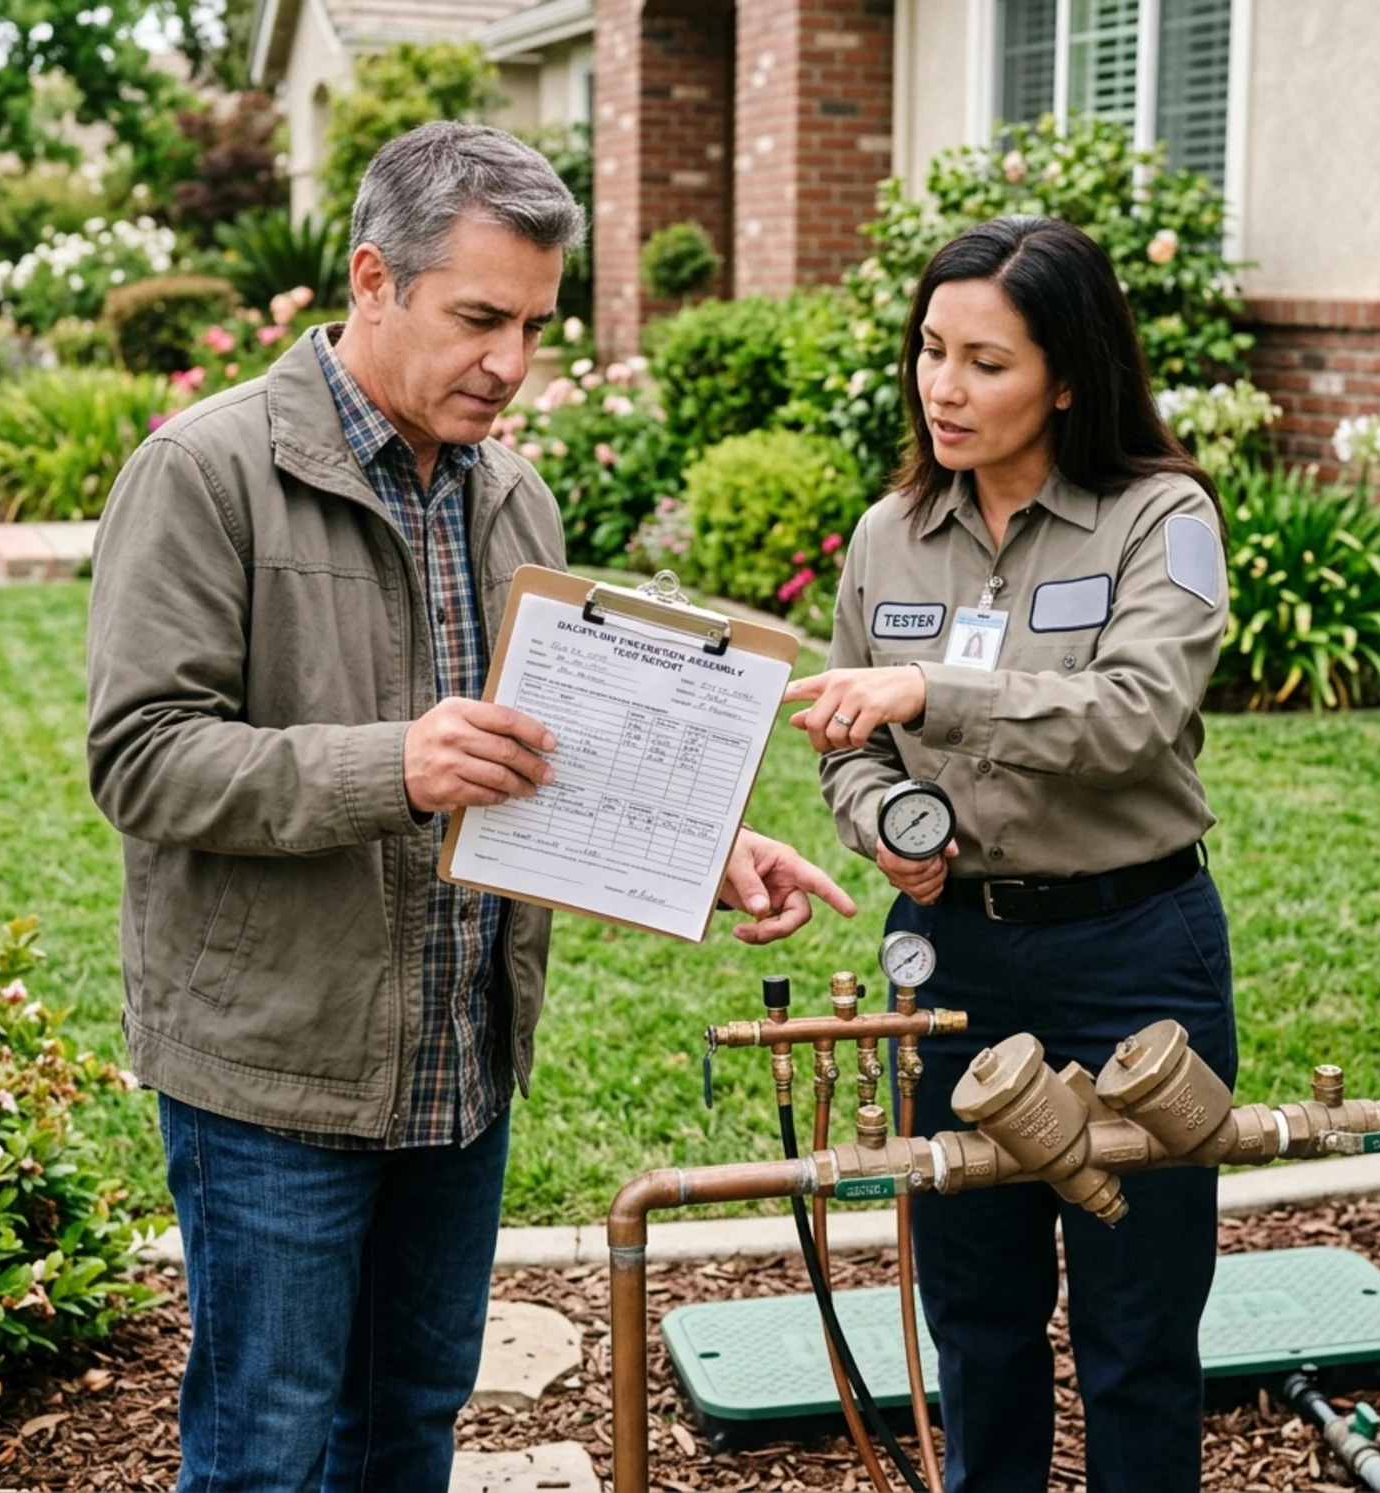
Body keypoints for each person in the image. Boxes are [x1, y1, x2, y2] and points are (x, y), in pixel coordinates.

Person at [85, 121, 855, 1492]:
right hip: (275, 1076)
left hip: (461, 1062)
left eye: (536, 324)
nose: (510, 362)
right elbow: (142, 758)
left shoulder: (514, 496)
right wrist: (393, 766)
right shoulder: (206, 473)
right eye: (479, 317)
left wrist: (706, 844)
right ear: (375, 282)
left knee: (409, 1430)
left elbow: (544, 756)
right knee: (264, 1451)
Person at [784, 216, 1234, 1493]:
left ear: (1070, 374)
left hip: (1131, 954)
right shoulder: (888, 535)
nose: (942, 386)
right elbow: (847, 751)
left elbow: (1136, 713)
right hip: (954, 959)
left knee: (1137, 1329)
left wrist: (926, 691)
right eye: (930, 350)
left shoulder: (1160, 516)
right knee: (975, 1325)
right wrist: (884, 820)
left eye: (985, 361)